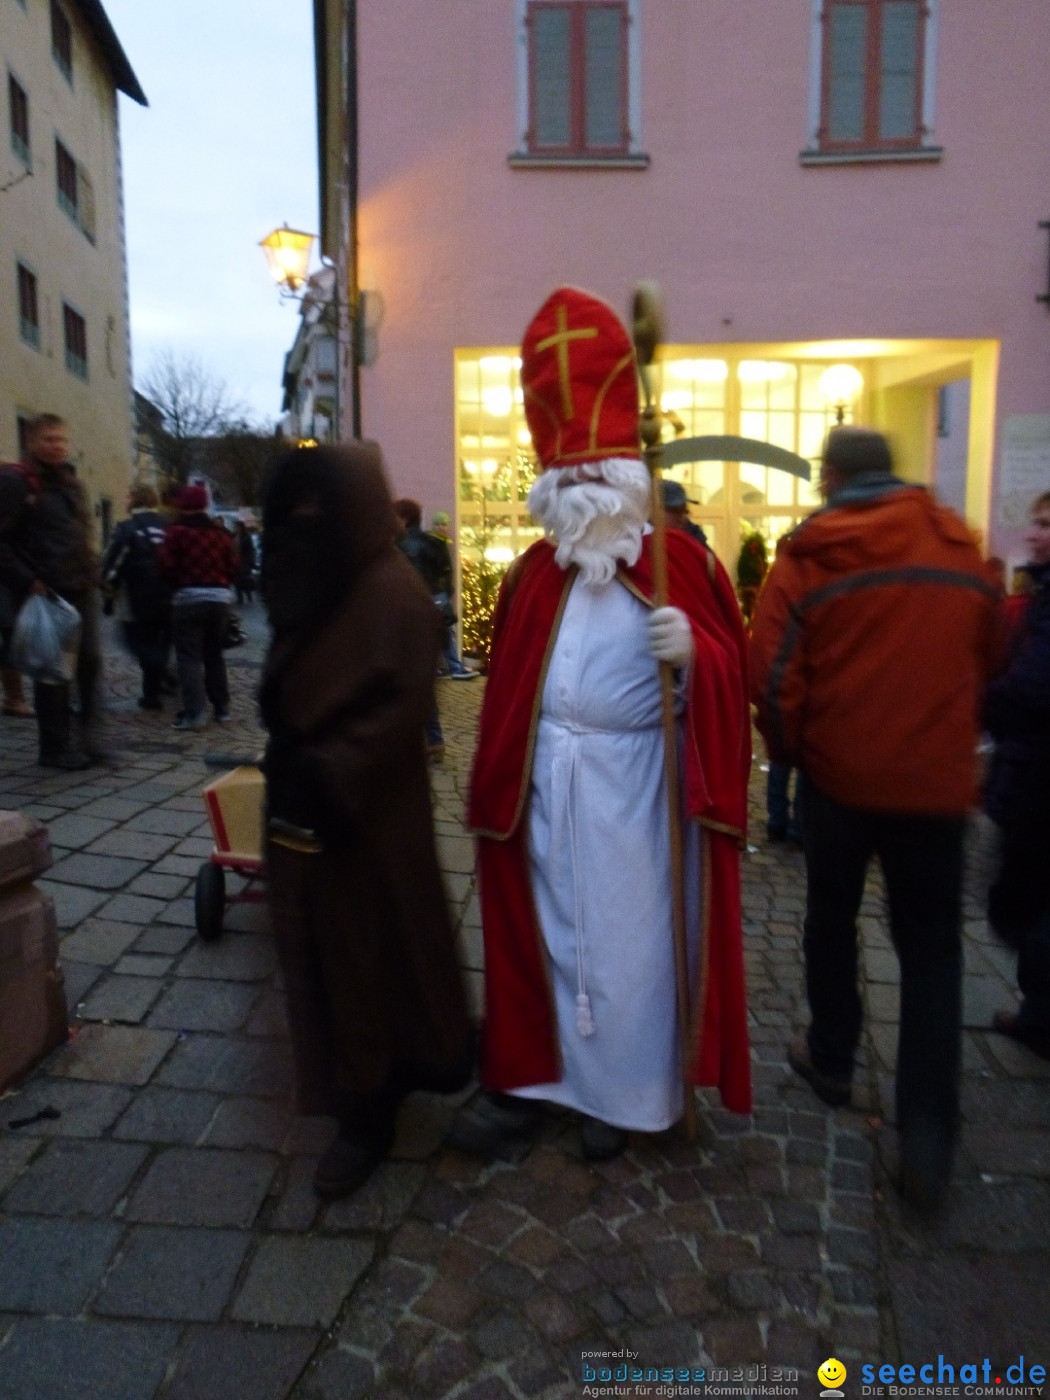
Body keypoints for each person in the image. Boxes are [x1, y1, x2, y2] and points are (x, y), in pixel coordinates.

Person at [448, 286, 752, 1164]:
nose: (583, 489)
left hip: (638, 788)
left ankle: (621, 1096)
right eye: (568, 478)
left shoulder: (680, 564)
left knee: (629, 946)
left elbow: (735, 681)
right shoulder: (533, 578)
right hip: (545, 786)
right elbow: (507, 686)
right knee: (544, 934)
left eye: (596, 475)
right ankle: (536, 1083)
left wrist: (697, 655)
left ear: (628, 476)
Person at [749, 426, 1001, 1212]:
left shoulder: (812, 553)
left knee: (830, 918)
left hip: (842, 782)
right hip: (935, 788)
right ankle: (926, 1136)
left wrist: (793, 755)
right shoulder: (960, 548)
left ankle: (831, 1057)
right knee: (931, 953)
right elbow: (985, 654)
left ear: (828, 477)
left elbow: (772, 672)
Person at [259, 442, 473, 1198]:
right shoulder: (323, 575)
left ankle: (369, 1107)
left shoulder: (395, 595)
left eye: (319, 507)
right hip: (311, 808)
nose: (304, 521)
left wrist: (328, 772)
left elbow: (399, 710)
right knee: (322, 959)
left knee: (366, 964)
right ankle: (353, 1079)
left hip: (364, 824)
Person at [983, 491, 1050, 1059]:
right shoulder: (1039, 598)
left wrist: (980, 704)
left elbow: (1033, 687)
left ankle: (1041, 1015)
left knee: (1030, 898)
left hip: (1038, 774)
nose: (1032, 535)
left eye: (1046, 526)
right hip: (1030, 764)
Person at [0, 413, 103, 769]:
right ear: (31, 441)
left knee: (89, 663)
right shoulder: (17, 482)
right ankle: (55, 748)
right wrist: (27, 579)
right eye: (49, 440)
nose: (57, 446)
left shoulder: (70, 482)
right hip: (44, 589)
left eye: (61, 439)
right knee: (54, 670)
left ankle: (89, 738)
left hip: (80, 584)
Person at [157, 483, 238, 730]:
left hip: (188, 598)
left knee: (189, 657)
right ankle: (222, 708)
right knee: (214, 654)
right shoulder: (221, 534)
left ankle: (195, 712)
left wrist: (176, 582)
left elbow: (165, 564)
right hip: (219, 599)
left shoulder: (176, 532)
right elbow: (234, 566)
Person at [101, 483, 171, 711]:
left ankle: (163, 672)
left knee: (135, 641)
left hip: (135, 594)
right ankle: (151, 696)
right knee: (156, 642)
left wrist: (107, 586)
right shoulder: (168, 526)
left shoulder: (127, 527)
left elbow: (113, 561)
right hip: (167, 595)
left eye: (128, 496)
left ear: (135, 499)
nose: (124, 500)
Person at [393, 498, 448, 758]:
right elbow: (443, 582)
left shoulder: (404, 546)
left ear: (403, 518)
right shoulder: (431, 543)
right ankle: (434, 739)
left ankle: (412, 741)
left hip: (408, 624)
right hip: (428, 622)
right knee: (421, 682)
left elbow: (404, 589)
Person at [429, 510, 477, 678]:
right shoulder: (434, 544)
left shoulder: (441, 543)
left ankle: (440, 667)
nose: (442, 527)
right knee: (447, 630)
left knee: (440, 631)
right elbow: (437, 571)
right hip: (438, 595)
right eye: (439, 524)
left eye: (444, 524)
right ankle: (455, 668)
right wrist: (443, 590)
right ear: (433, 526)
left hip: (440, 593)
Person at [660, 478, 708, 546]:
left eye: (685, 511)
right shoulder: (643, 538)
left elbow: (707, 555)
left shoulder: (693, 534)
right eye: (676, 510)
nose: (683, 518)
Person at [233, 520, 257, 605]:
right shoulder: (234, 536)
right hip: (236, 560)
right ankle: (240, 598)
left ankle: (248, 595)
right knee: (237, 580)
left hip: (245, 561)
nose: (235, 528)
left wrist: (250, 562)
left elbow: (250, 549)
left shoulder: (246, 536)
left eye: (236, 526)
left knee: (244, 579)